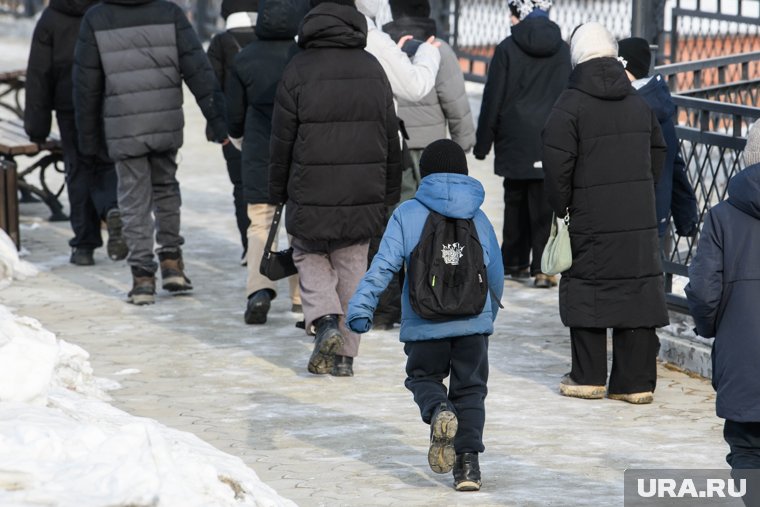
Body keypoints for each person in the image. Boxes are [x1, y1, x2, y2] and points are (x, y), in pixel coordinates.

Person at [347, 139, 504, 491]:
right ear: (463, 172)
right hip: (471, 325)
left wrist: (361, 307)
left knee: (423, 378)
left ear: (425, 173)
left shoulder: (407, 213)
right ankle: (468, 468)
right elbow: (494, 273)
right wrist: (486, 316)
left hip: (424, 322)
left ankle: (437, 410)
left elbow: (383, 266)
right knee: (471, 392)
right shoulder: (477, 215)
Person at [268, 0, 401, 376]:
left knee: (308, 255)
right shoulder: (373, 68)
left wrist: (277, 190)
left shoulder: (298, 68)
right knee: (354, 270)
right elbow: (391, 137)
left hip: (309, 190)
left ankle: (324, 319)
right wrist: (388, 194)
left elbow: (281, 141)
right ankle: (345, 358)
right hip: (363, 194)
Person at [542, 22, 668, 404]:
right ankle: (635, 382)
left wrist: (563, 207)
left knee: (588, 287)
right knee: (637, 288)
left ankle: (589, 377)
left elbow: (556, 165)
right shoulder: (637, 103)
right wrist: (639, 190)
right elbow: (658, 153)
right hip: (637, 216)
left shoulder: (570, 104)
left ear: (576, 55)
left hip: (589, 215)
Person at [73, 0, 228, 305]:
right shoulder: (169, 12)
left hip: (123, 123)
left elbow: (85, 86)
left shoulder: (97, 17)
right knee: (166, 189)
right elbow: (198, 69)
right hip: (164, 119)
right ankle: (172, 263)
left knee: (133, 198)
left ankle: (143, 278)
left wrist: (88, 141)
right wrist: (218, 121)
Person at [473, 0, 570, 289]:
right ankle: (543, 268)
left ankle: (514, 261)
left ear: (520, 14)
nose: (509, 18)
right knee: (543, 202)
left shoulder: (506, 48)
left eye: (512, 13)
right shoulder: (563, 49)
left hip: (514, 136)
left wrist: (483, 143)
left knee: (514, 198)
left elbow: (493, 98)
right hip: (549, 136)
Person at [24, 0, 126, 267]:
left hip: (68, 105)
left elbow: (38, 73)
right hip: (106, 100)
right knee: (106, 162)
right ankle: (111, 208)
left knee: (78, 169)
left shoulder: (51, 18)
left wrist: (37, 127)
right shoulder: (106, 11)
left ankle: (83, 245)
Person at [686, 122, 760, 479]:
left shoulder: (722, 217)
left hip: (743, 357)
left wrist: (713, 327)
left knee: (747, 448)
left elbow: (703, 290)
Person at [226, 0, 305, 324]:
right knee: (301, 224)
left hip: (259, 149)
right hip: (298, 151)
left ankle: (259, 289)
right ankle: (302, 296)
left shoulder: (244, 57)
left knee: (260, 221)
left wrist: (241, 141)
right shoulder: (301, 58)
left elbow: (233, 115)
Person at [617, 37, 698, 247]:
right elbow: (675, 164)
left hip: (626, 214)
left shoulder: (627, 106)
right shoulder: (658, 106)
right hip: (653, 214)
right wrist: (686, 215)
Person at [206, 0, 258, 265]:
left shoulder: (220, 43)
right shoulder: (269, 38)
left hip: (232, 130)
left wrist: (219, 130)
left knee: (242, 190)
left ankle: (250, 248)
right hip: (269, 128)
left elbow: (210, 89)